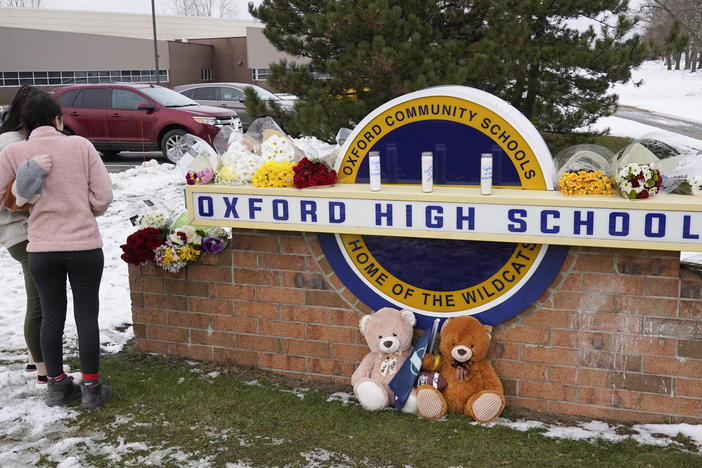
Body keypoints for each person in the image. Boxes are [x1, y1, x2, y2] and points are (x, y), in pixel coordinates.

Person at [0, 90, 114, 408]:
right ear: (57, 119)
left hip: (41, 249)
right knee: (86, 315)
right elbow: (103, 196)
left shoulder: (13, 154)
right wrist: (86, 207)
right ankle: (91, 388)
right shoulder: (80, 146)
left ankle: (57, 386)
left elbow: (5, 200)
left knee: (51, 316)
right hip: (84, 246)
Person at [0, 85, 48, 389]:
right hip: (20, 232)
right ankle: (44, 369)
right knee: (40, 300)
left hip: (24, 231)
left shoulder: (20, 138)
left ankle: (34, 358)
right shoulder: (12, 143)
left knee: (39, 298)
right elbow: (11, 195)